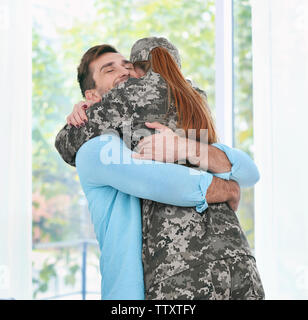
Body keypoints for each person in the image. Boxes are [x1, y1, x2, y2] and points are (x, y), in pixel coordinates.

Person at [55, 37, 264, 300]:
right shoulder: (96, 148)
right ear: (92, 96)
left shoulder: (169, 130)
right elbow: (165, 182)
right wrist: (228, 188)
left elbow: (250, 172)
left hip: (232, 263)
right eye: (110, 69)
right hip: (162, 280)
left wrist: (184, 147)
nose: (124, 72)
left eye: (128, 65)